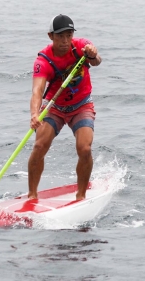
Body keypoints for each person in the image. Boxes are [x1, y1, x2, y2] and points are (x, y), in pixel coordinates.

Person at [28, 14, 102, 200]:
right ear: (50, 36)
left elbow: (96, 61)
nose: (65, 41)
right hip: (55, 107)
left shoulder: (82, 46)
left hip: (81, 105)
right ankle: (32, 196)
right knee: (39, 146)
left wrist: (93, 55)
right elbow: (37, 91)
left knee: (84, 148)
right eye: (60, 36)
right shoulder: (43, 61)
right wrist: (35, 114)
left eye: (69, 35)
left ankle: (81, 196)